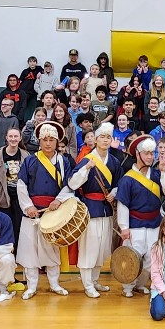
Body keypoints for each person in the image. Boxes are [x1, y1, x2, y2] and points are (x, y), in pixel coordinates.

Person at [62, 122, 125, 297]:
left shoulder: (114, 161)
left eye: (108, 137)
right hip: (90, 208)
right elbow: (72, 183)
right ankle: (87, 284)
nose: (105, 140)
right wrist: (86, 169)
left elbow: (120, 183)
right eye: (102, 137)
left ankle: (95, 280)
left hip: (106, 209)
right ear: (95, 140)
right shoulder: (86, 160)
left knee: (102, 248)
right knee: (89, 247)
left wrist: (114, 192)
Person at [15, 121, 76, 298]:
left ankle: (54, 284)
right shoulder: (30, 161)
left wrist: (59, 200)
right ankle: (32, 286)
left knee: (52, 249)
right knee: (30, 249)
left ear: (57, 142)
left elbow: (69, 185)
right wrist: (28, 206)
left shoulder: (64, 162)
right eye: (45, 139)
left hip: (54, 212)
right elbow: (21, 185)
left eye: (51, 139)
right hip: (33, 212)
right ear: (39, 141)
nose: (48, 143)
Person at [116, 134, 165, 297]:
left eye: (151, 153)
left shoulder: (155, 174)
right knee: (133, 256)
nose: (149, 157)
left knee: (150, 258)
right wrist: (124, 227)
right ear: (138, 154)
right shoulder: (127, 179)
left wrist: (163, 171)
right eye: (146, 153)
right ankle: (128, 286)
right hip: (135, 224)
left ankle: (140, 284)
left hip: (154, 222)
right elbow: (123, 204)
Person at [0, 127, 26, 251]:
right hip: (3, 199)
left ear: (20, 138)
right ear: (6, 138)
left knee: (19, 227)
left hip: (20, 199)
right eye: (11, 136)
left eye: (16, 136)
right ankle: (3, 254)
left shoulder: (26, 156)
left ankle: (18, 254)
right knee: (4, 228)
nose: (13, 139)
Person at [18, 57, 44, 123]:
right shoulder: (25, 71)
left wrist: (41, 72)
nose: (32, 63)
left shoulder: (39, 69)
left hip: (35, 92)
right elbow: (20, 81)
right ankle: (20, 122)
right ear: (28, 63)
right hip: (25, 91)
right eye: (30, 62)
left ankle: (37, 121)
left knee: (38, 106)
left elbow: (44, 71)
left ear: (36, 63)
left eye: (34, 62)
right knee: (22, 107)